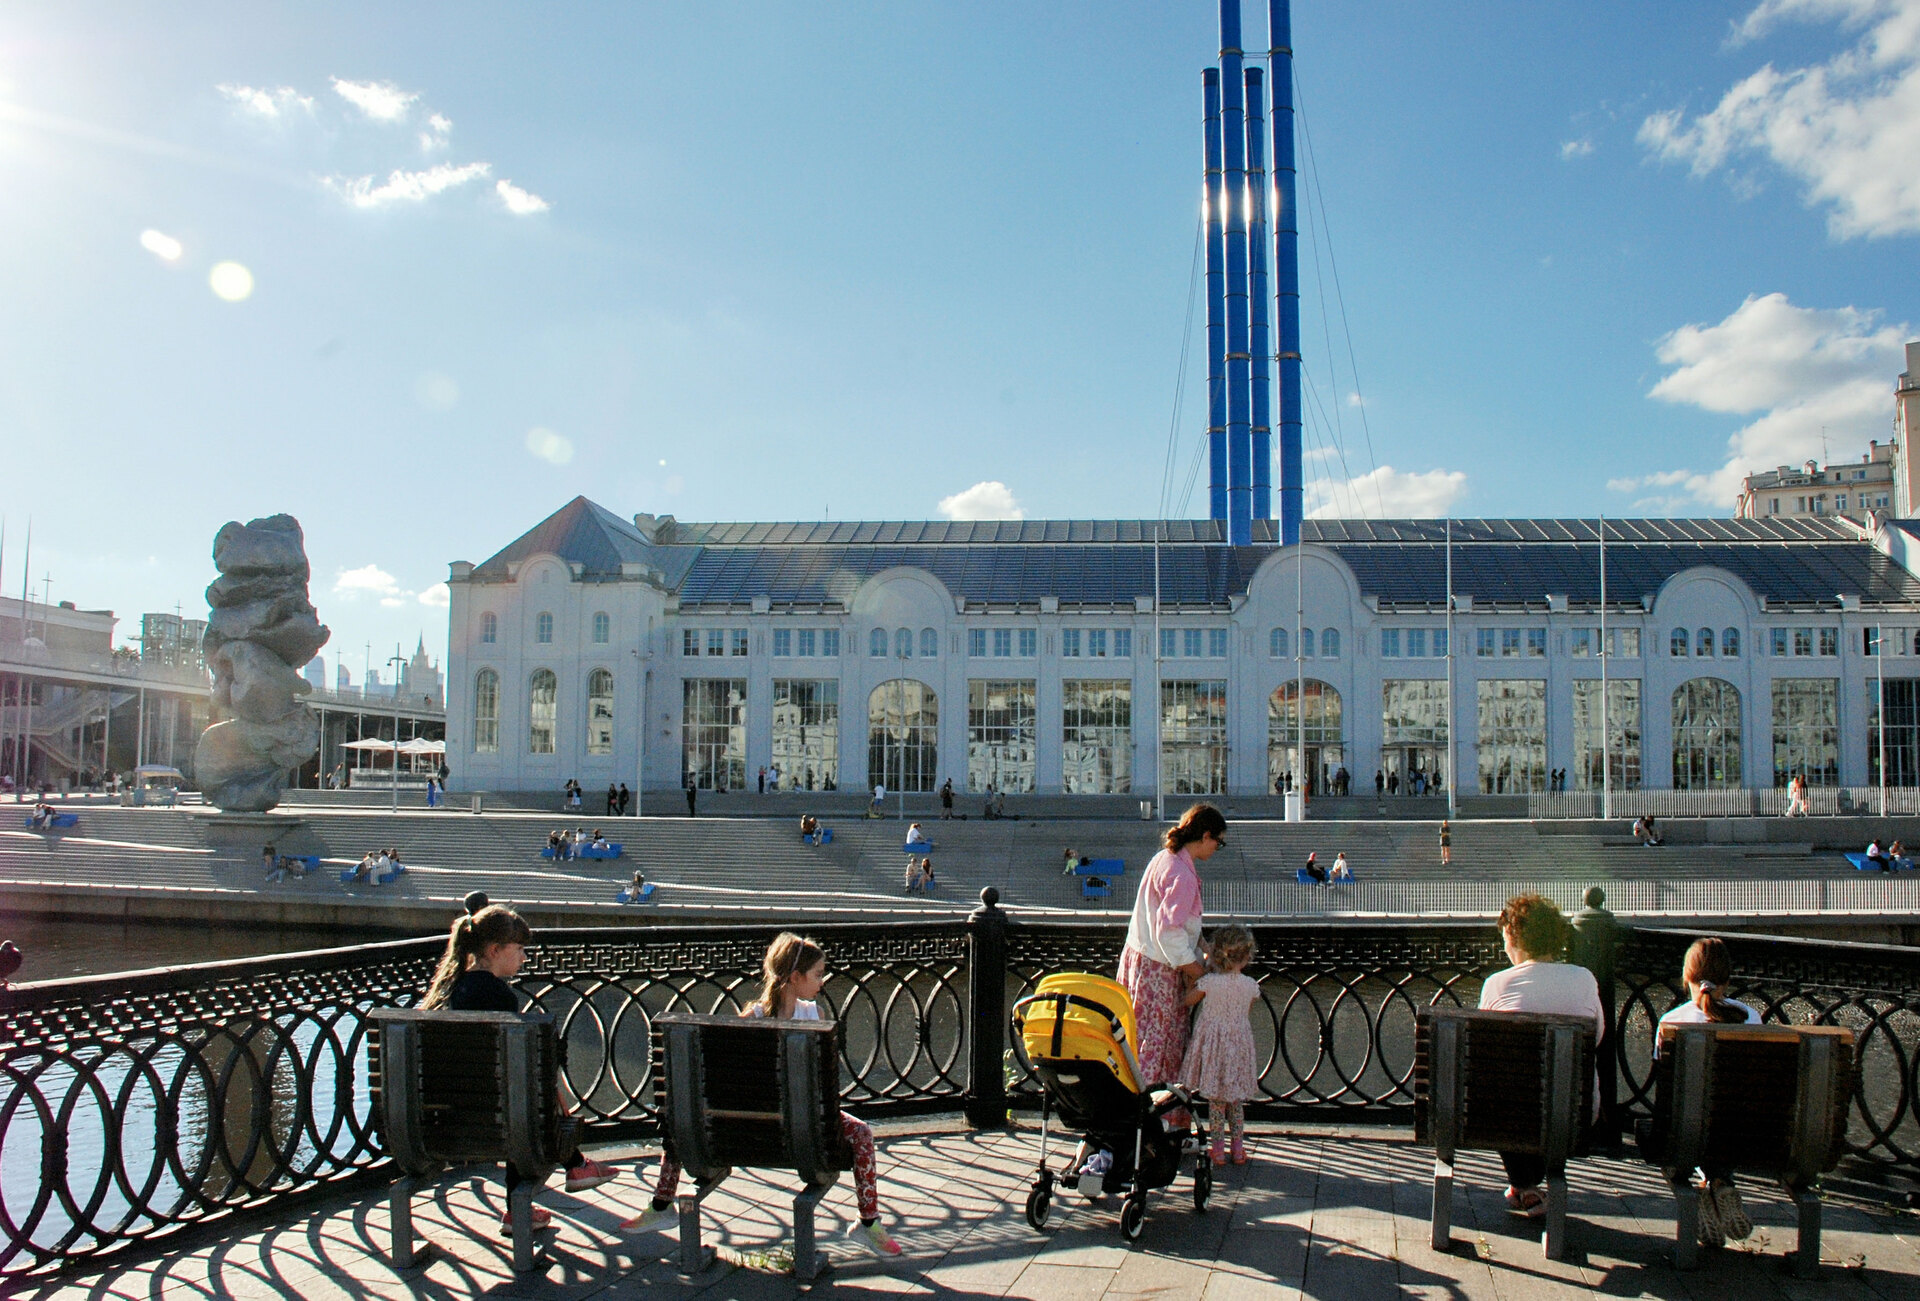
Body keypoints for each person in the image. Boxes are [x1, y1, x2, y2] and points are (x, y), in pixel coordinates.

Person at [620, 933, 903, 1256]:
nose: (822, 982)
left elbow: (719, 1077)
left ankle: (661, 1204)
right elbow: (822, 1088)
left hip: (736, 1132)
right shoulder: (815, 1017)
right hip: (803, 1132)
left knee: (682, 1121)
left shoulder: (750, 1019)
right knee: (862, 1134)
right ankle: (868, 1223)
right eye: (818, 974)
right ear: (795, 977)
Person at [420, 903, 617, 1234]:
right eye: (520, 949)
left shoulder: (449, 991)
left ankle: (577, 1166)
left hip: (443, 1123)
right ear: (495, 950)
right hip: (496, 1123)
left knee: (512, 1101)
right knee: (520, 1107)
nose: (524, 958)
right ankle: (564, 1174)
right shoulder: (499, 995)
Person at [1478, 894, 1605, 1218]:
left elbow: (1483, 1050)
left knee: (1507, 1093)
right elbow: (1598, 1037)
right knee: (1550, 1091)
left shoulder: (1497, 984)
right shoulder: (1584, 979)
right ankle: (1529, 1184)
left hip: (1510, 1117)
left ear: (1514, 937)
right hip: (1575, 1113)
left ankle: (1524, 1183)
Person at [1120, 804, 1226, 1127]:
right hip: (1160, 974)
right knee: (1160, 1047)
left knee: (1137, 1044)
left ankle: (1135, 1121)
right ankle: (1154, 1126)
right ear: (1205, 835)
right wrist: (1200, 971)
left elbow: (1174, 925)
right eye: (1217, 842)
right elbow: (1169, 932)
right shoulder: (1181, 874)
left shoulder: (1165, 859)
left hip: (1141, 964)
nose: (1217, 848)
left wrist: (1202, 945)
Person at [1654, 937, 1760, 1246]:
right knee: (1724, 1117)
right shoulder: (1750, 1018)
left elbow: (1664, 1089)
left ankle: (1691, 1187)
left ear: (1686, 977)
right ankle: (1720, 1181)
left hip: (1685, 1133)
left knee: (1678, 1127)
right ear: (1728, 979)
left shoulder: (1671, 1021)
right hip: (1744, 1137)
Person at [1181, 925, 1261, 1165]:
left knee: (1216, 1102)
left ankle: (1217, 1149)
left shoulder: (1209, 983)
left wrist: (1188, 982)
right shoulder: (1249, 985)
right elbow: (1244, 1014)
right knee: (1235, 1102)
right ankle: (1238, 1148)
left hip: (1214, 1047)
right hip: (1238, 1045)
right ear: (1246, 958)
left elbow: (1187, 1001)